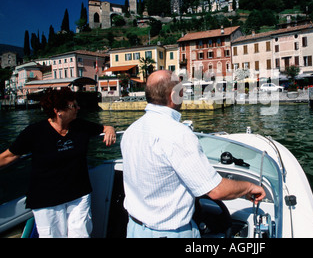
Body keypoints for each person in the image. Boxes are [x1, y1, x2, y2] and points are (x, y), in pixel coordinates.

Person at [121, 70, 265, 238]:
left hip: (134, 228)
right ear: (174, 95)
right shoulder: (178, 134)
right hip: (169, 233)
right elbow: (216, 191)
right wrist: (249, 187)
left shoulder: (131, 131)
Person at [0, 88, 116, 238]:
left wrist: (110, 130)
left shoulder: (79, 126)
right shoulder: (34, 132)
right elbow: (7, 156)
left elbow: (104, 128)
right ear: (58, 111)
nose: (78, 108)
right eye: (73, 106)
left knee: (81, 234)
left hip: (79, 195)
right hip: (47, 198)